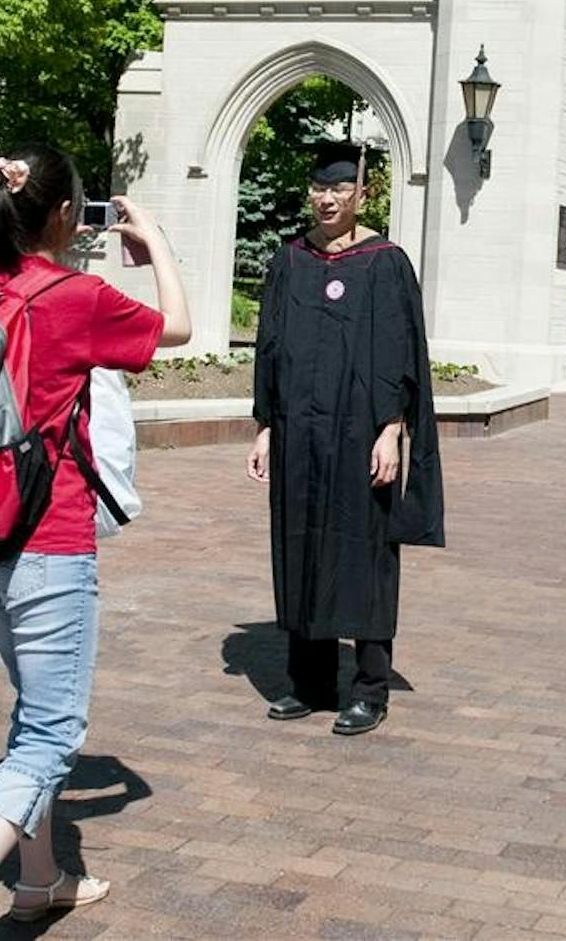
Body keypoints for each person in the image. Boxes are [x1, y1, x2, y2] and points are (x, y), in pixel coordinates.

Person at [0, 144, 191, 941]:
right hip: (48, 540)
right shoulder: (74, 295)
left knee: (33, 713)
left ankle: (41, 881)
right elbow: (180, 327)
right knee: (53, 733)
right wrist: (155, 239)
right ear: (68, 215)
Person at [247, 141, 444, 736]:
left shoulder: (385, 262)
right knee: (302, 541)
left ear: (362, 195)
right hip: (300, 434)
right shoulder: (290, 261)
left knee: (364, 551)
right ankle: (307, 680)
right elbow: (270, 349)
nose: (327, 198)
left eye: (339, 189)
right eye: (319, 188)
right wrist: (265, 428)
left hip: (362, 434)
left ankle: (369, 686)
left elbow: (402, 356)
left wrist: (392, 431)